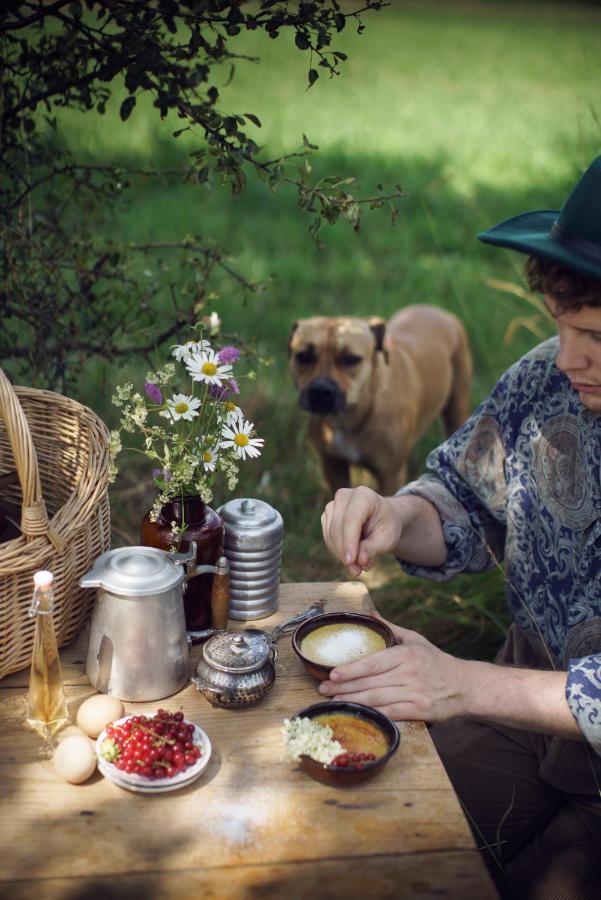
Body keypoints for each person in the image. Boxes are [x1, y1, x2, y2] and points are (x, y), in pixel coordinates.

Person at [320, 156, 601, 900]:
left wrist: (459, 684)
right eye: (562, 327)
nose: (568, 358)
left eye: (598, 337)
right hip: (520, 719)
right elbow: (461, 499)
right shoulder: (547, 379)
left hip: (514, 705)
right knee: (366, 846)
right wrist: (393, 516)